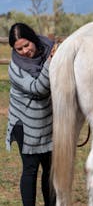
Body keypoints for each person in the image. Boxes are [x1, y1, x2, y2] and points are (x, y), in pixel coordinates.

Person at [6, 23, 56, 206]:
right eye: (18, 49)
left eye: (26, 45)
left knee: (50, 170)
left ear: (33, 39)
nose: (25, 51)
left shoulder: (48, 49)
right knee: (31, 169)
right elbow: (38, 89)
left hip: (47, 122)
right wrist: (51, 61)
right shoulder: (15, 68)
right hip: (25, 125)